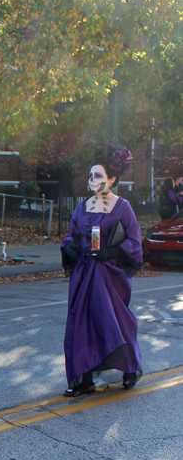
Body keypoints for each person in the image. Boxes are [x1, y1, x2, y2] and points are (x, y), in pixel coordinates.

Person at [61, 146, 143, 397]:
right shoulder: (82, 207)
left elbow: (135, 243)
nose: (92, 180)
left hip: (109, 275)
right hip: (83, 275)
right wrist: (69, 247)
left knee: (115, 323)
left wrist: (112, 252)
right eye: (91, 175)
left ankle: (130, 367)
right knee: (80, 325)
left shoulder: (123, 208)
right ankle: (83, 379)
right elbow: (71, 235)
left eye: (98, 175)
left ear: (112, 179)